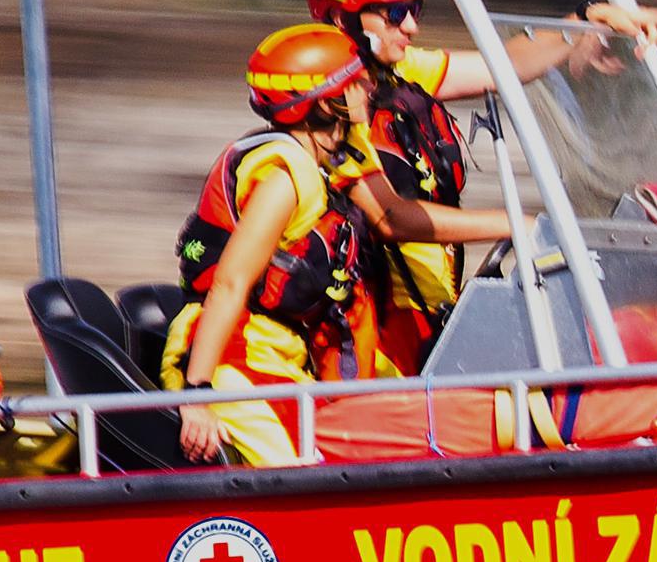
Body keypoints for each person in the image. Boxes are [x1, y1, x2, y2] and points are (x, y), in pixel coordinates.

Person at [303, 0, 657, 371]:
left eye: (415, 10)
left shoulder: (400, 73)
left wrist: (586, 20)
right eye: (394, 13)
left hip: (432, 307)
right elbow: (389, 218)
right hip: (378, 322)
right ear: (340, 17)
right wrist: (514, 223)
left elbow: (504, 66)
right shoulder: (325, 107)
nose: (410, 27)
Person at [163, 25, 509, 465]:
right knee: (298, 472)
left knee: (406, 415)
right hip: (229, 361)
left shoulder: (328, 161)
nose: (369, 87)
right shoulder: (284, 176)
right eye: (356, 81)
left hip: (280, 355)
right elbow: (231, 283)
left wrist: (513, 222)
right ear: (328, 102)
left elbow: (391, 215)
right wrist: (198, 393)